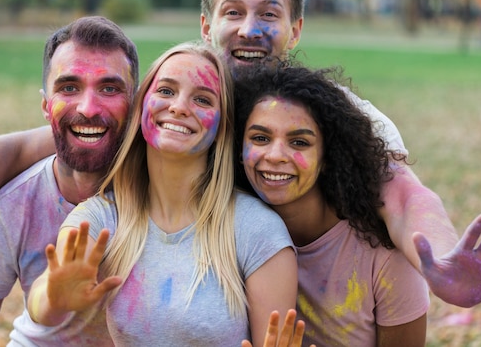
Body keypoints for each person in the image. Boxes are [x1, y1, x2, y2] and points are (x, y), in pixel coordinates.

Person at [0, 0, 481, 308]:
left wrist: (440, 256)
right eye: (232, 11)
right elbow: (31, 146)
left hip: (311, 317)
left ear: (296, 30)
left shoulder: (337, 114)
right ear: (207, 26)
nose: (250, 28)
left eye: (270, 12)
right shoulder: (178, 105)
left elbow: (403, 193)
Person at [26, 41, 297, 345]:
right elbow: (41, 302)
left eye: (203, 100)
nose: (179, 107)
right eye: (166, 91)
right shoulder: (101, 217)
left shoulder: (257, 230)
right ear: (141, 105)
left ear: (223, 125)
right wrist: (53, 297)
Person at [0, 16, 140, 346]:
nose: (88, 108)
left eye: (109, 88)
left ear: (134, 102)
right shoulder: (14, 204)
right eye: (69, 88)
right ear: (46, 106)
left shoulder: (164, 189)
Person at [234, 62, 431, 346]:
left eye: (299, 142)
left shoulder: (383, 253)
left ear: (328, 156)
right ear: (239, 149)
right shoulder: (231, 229)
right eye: (260, 138)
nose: (275, 155)